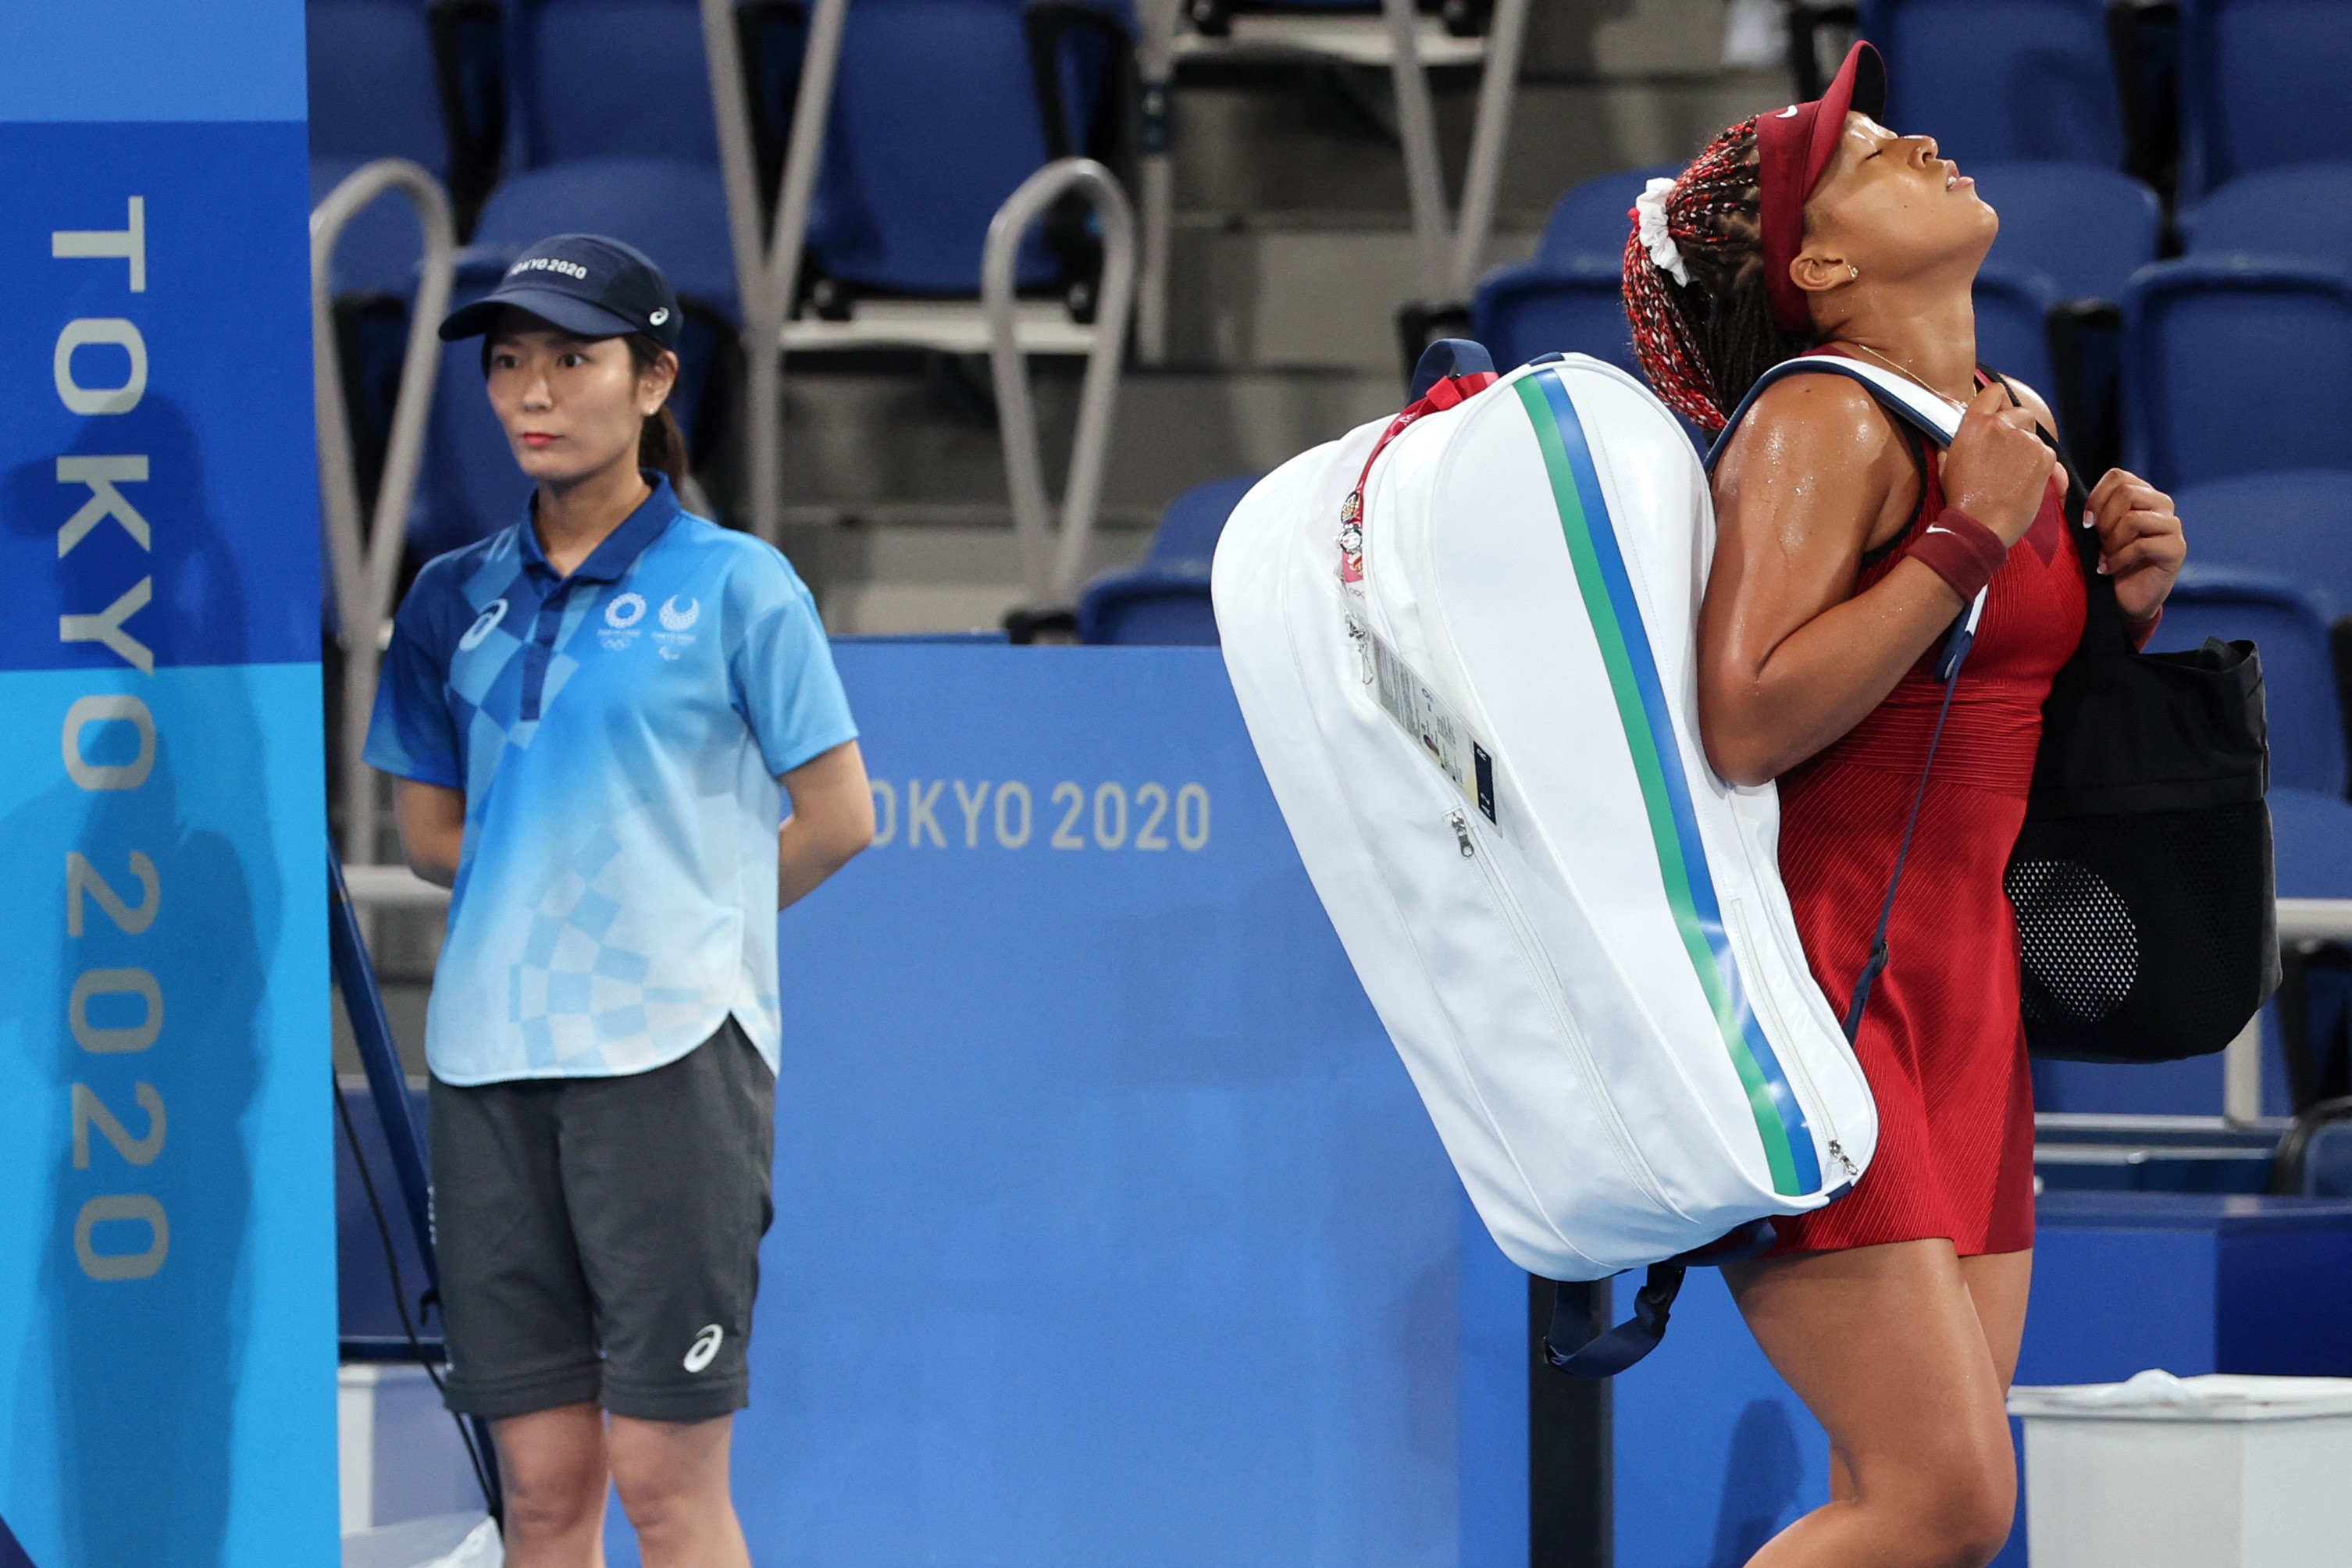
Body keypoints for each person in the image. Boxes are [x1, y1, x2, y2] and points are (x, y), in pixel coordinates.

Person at [1621, 45, 2186, 1568]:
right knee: (1940, 1500)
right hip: (1835, 1008)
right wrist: (1964, 537)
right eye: (1869, 154)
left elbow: (1963, 717)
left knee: (1918, 1512)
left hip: (1967, 1017)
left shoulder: (1997, 416)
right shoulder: (1819, 421)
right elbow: (1746, 719)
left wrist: (2117, 604)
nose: (1921, 136)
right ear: (1819, 263)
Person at [365, 233, 875, 1567]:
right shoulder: (444, 599)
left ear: (652, 382)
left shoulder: (738, 585)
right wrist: (547, 883)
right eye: (510, 363)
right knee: (540, 1491)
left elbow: (841, 819)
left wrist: (687, 921)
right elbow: (427, 832)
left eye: (571, 361)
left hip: (669, 1060)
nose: (534, 391)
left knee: (662, 1480)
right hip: (486, 1059)